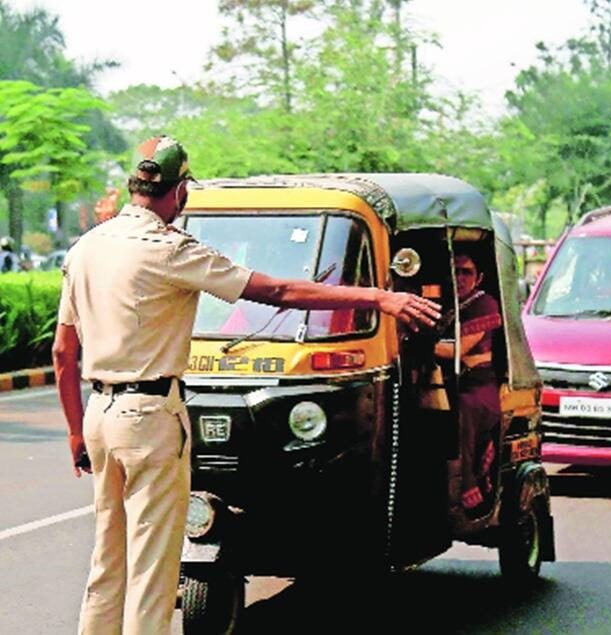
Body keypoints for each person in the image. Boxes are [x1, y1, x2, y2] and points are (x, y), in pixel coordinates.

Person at [53, 135, 442, 634]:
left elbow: (64, 354)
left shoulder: (87, 248)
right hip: (148, 418)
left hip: (100, 414)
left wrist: (75, 432)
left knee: (109, 556)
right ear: (180, 191)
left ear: (134, 186)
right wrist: (379, 298)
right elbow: (278, 292)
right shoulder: (170, 250)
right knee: (152, 564)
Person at [434, 252, 503, 519]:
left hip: (477, 388)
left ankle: (468, 488)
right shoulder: (448, 305)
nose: (460, 278)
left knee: (459, 412)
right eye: (456, 272)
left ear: (479, 277)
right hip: (447, 383)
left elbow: (458, 351)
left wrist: (414, 345)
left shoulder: (485, 303)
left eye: (466, 272)